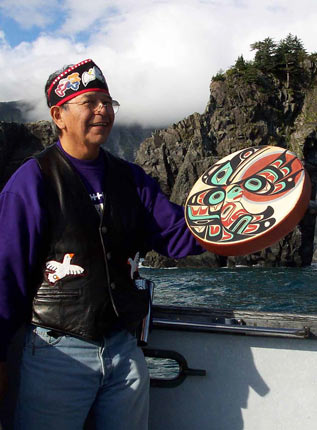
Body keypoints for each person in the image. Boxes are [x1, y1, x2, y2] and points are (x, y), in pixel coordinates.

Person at [0, 59, 204, 429]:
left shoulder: (132, 179)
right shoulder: (32, 181)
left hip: (123, 349)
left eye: (108, 102)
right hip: (54, 352)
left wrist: (234, 226)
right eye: (90, 101)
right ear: (58, 115)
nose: (102, 111)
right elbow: (6, 273)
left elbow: (176, 234)